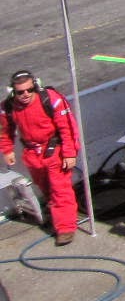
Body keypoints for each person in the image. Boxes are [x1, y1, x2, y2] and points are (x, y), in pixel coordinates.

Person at [1, 69, 80, 245]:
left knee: (60, 190)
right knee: (46, 188)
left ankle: (65, 228)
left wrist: (69, 153)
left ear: (36, 86)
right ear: (13, 92)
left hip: (55, 150)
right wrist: (7, 150)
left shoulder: (52, 99)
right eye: (20, 92)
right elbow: (5, 131)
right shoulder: (8, 107)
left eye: (29, 90)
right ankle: (58, 217)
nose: (25, 94)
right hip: (32, 155)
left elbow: (68, 127)